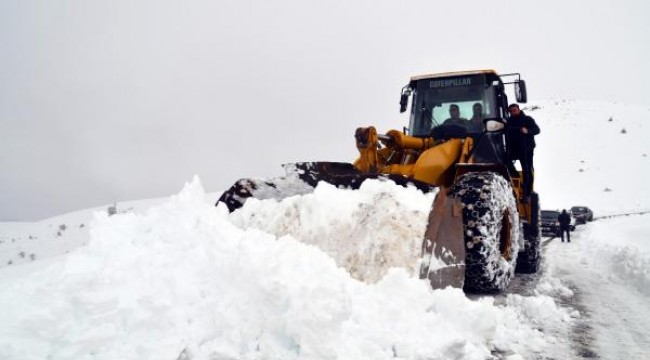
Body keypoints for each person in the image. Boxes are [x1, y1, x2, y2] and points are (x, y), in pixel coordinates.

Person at [506, 103, 540, 199]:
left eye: (515, 110)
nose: (513, 112)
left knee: (527, 169)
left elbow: (537, 130)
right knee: (506, 162)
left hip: (526, 149)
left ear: (519, 109)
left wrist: (527, 131)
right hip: (513, 149)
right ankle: (517, 178)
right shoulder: (509, 121)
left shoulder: (527, 119)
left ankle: (527, 192)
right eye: (511, 111)